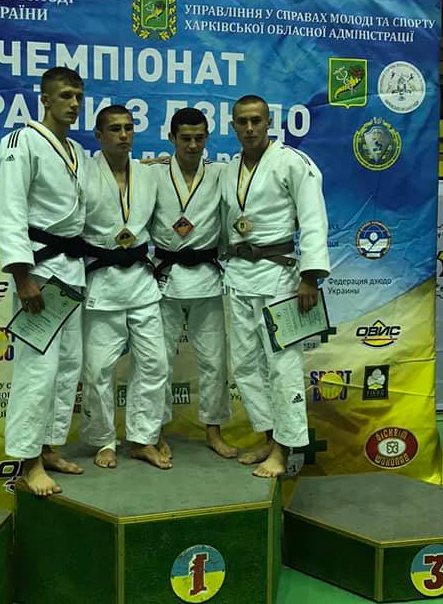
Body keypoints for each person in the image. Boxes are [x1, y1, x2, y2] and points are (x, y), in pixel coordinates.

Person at [0, 66, 87, 497]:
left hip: (71, 272)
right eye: (65, 95)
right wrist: (21, 276)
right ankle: (27, 461)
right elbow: (8, 210)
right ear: (45, 99)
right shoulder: (21, 142)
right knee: (37, 369)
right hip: (39, 272)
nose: (74, 103)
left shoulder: (76, 150)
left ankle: (48, 448)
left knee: (66, 366)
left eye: (78, 96)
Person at [223, 95, 330, 478]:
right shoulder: (228, 169)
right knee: (245, 365)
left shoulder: (293, 162)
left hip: (281, 278)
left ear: (269, 122)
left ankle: (284, 450)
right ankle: (269, 437)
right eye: (242, 121)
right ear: (233, 125)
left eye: (256, 120)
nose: (250, 128)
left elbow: (313, 219)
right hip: (238, 276)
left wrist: (310, 276)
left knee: (282, 366)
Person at [81, 105, 170, 470]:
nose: (123, 135)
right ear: (99, 135)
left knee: (155, 363)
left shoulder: (148, 174)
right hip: (102, 282)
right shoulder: (83, 172)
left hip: (141, 282)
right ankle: (104, 439)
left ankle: (142, 438)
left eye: (129, 128)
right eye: (115, 129)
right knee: (98, 369)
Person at [148, 107, 235, 459]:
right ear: (171, 138)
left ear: (207, 138)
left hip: (207, 278)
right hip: (165, 278)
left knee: (214, 360)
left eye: (200, 138)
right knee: (158, 361)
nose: (193, 145)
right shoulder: (152, 173)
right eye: (185, 138)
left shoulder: (221, 173)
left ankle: (213, 430)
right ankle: (155, 431)